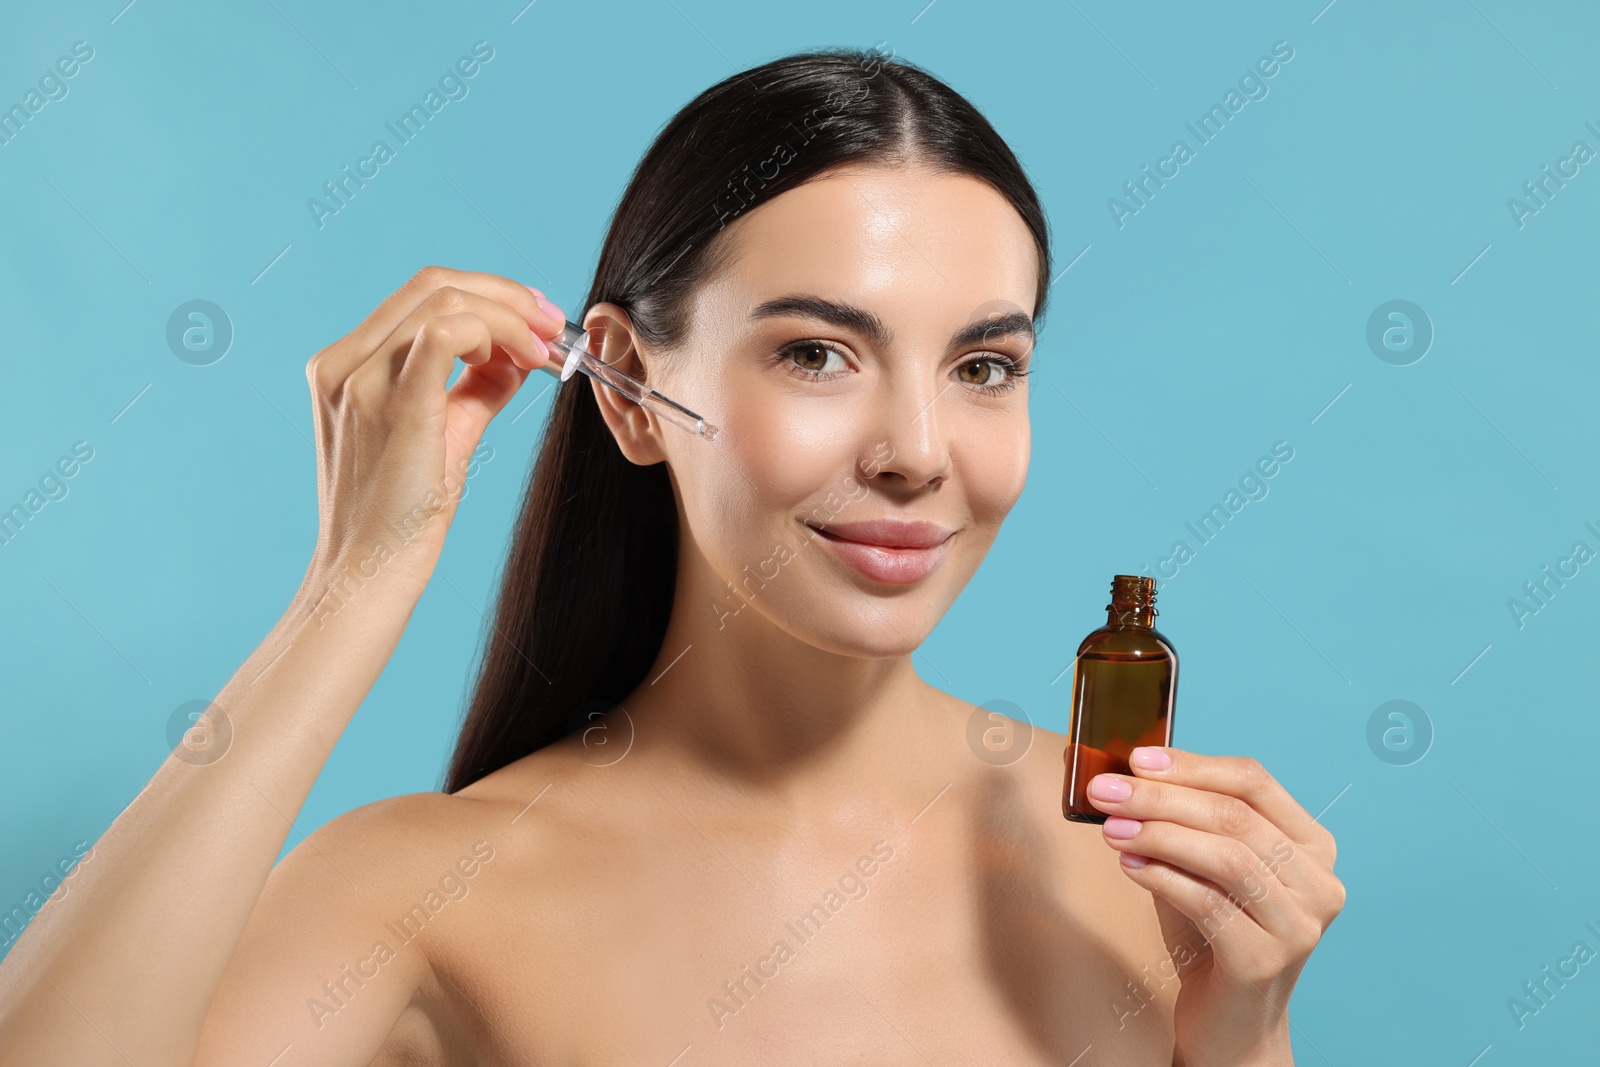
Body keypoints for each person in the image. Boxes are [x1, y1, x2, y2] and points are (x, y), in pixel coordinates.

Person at [0, 46, 1343, 1066]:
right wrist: (355, 585)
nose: (919, 451)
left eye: (984, 365)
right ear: (632, 390)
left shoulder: (1137, 870)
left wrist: (1240, 1036)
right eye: (819, 352)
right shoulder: (423, 891)